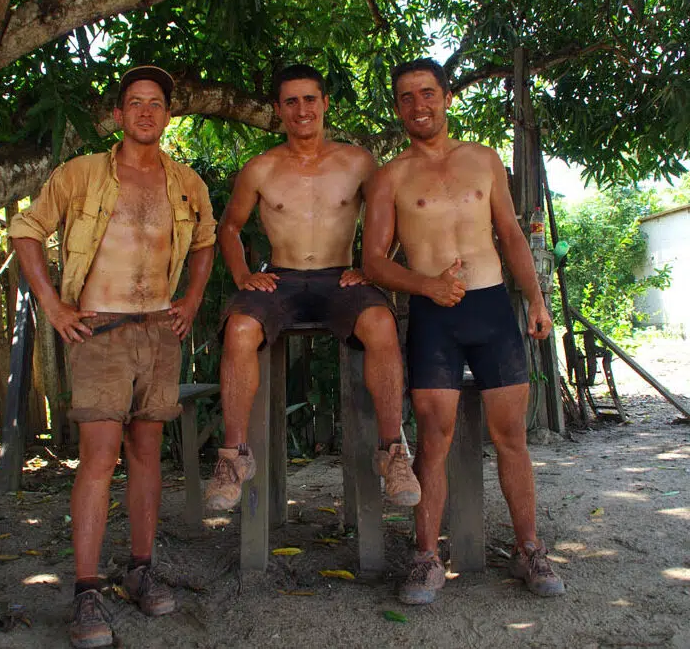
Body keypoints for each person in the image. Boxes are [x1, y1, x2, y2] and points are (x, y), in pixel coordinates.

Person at [9, 65, 216, 648]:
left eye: (156, 103)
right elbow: (26, 229)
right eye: (135, 102)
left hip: (159, 330)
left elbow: (205, 241)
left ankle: (141, 569)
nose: (146, 111)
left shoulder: (186, 183)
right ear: (119, 115)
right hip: (99, 329)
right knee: (99, 456)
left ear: (168, 115)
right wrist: (53, 305)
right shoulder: (81, 174)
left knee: (147, 452)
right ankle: (86, 590)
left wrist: (192, 299)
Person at [363, 58, 565, 604]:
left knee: (512, 436)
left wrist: (536, 300)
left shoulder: (483, 159)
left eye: (427, 93)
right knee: (434, 437)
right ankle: (426, 557)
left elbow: (511, 233)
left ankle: (529, 548)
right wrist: (428, 286)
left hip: (492, 307)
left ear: (447, 97)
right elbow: (374, 261)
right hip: (435, 317)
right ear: (398, 107)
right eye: (406, 97)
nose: (418, 105)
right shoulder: (390, 176)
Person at [204, 64, 420, 512]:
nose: (301, 109)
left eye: (309, 99)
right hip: (280, 278)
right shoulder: (261, 167)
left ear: (324, 103)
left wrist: (373, 267)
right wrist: (243, 275)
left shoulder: (358, 162)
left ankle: (393, 452)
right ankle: (233, 458)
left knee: (380, 322)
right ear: (278, 109)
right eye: (291, 101)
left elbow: (391, 216)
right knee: (239, 327)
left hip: (340, 277)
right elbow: (229, 228)